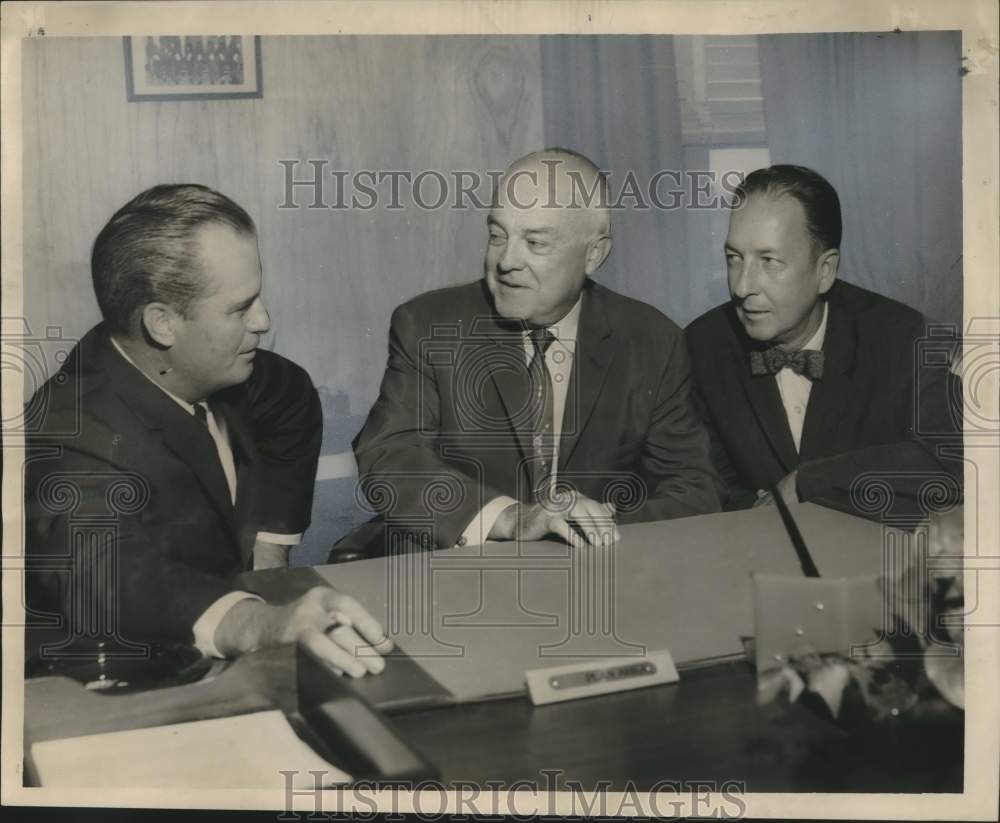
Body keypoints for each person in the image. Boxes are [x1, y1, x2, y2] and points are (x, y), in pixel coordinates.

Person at [26, 184, 391, 677]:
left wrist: (269, 551)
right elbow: (107, 570)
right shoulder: (67, 434)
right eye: (240, 308)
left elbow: (289, 396)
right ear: (162, 324)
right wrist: (255, 623)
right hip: (116, 683)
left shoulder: (228, 373)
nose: (264, 320)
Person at [335, 148, 723, 560]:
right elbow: (389, 457)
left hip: (598, 574)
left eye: (535, 242)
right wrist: (512, 519)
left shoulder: (652, 340)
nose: (505, 261)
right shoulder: (428, 324)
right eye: (497, 235)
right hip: (460, 568)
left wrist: (589, 528)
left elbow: (694, 488)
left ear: (594, 254)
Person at [686, 165, 962, 514]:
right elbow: (707, 485)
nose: (742, 287)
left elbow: (960, 462)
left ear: (825, 271)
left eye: (769, 261)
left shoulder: (908, 338)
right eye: (734, 259)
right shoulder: (701, 345)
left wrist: (809, 481)